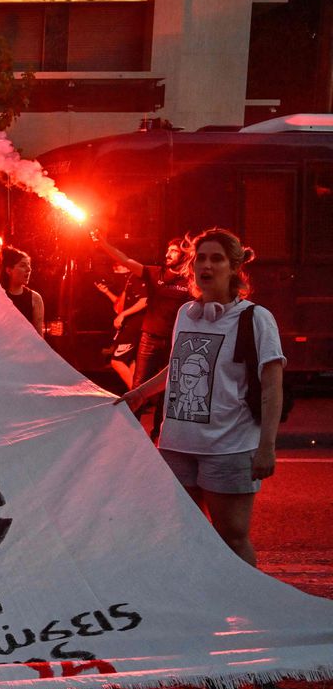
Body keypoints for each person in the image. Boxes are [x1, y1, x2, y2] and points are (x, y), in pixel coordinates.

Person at [117, 228, 284, 566]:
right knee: (185, 537)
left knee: (233, 539)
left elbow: (271, 386)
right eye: (201, 259)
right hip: (177, 445)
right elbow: (177, 368)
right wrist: (138, 394)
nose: (206, 265)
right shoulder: (186, 314)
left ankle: (247, 609)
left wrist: (266, 447)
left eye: (217, 259)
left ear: (234, 268)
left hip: (229, 447)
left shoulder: (255, 319)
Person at [92, 231, 192, 440]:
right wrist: (104, 244)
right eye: (167, 250)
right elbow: (126, 260)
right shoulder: (155, 273)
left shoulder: (191, 281)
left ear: (183, 255)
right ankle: (131, 433)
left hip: (175, 341)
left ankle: (160, 434)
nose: (168, 254)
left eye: (173, 251)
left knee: (170, 389)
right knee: (139, 387)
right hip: (150, 338)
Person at [94, 271, 147, 389]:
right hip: (132, 327)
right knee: (132, 363)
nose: (114, 268)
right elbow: (120, 307)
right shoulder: (128, 281)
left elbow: (144, 301)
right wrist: (107, 292)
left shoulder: (136, 277)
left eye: (118, 265)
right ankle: (138, 399)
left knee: (116, 361)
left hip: (133, 327)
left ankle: (139, 396)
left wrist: (123, 314)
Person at [0, 247, 44, 336]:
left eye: (29, 265)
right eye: (23, 265)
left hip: (27, 348)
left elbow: (38, 335)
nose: (29, 269)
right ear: (9, 270)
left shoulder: (35, 298)